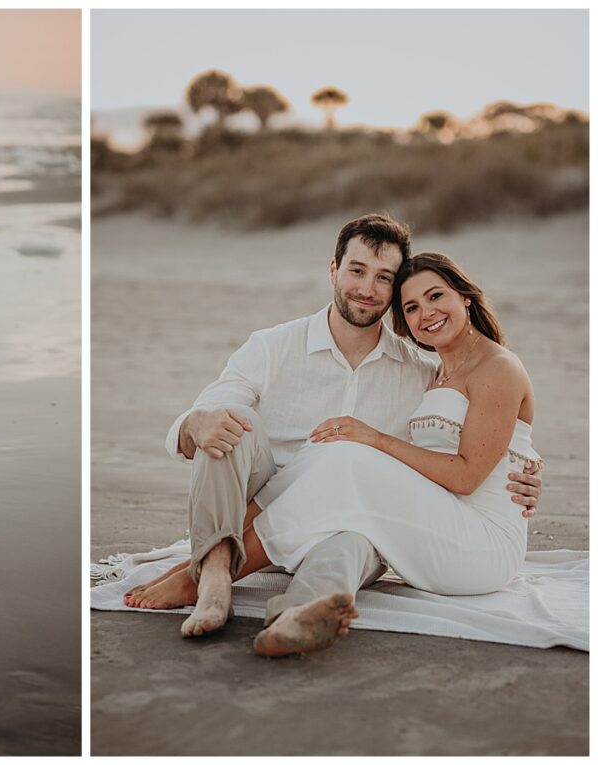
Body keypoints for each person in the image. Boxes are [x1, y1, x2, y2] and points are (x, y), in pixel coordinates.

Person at [124, 214, 542, 652]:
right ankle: (224, 578)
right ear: (333, 270)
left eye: (384, 279)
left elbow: (486, 452)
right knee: (238, 421)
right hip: (281, 498)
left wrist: (527, 469)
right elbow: (491, 436)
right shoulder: (278, 346)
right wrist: (195, 421)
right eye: (357, 271)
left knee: (348, 473)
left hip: (420, 528)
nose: (368, 288)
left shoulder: (434, 369)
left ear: (466, 299)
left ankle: (250, 593)